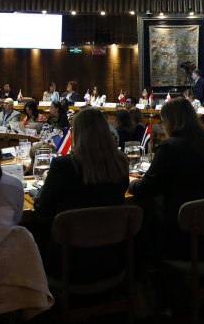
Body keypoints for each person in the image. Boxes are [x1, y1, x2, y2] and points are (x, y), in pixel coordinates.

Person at [34, 107, 129, 280]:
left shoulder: (63, 166)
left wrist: (47, 181)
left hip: (70, 263)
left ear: (77, 133)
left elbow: (42, 208)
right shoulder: (121, 162)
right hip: (113, 258)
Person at [130, 98, 204, 261]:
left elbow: (146, 188)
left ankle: (147, 269)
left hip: (185, 235)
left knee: (143, 210)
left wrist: (131, 184)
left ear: (171, 122)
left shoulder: (170, 147)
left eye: (164, 122)